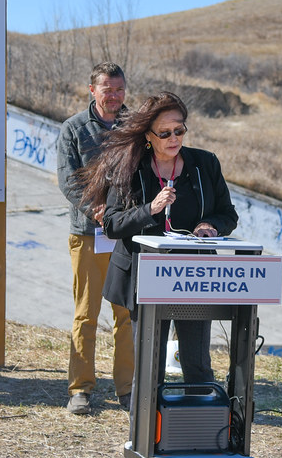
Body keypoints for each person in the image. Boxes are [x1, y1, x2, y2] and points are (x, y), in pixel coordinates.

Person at [83, 91, 238, 386]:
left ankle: (197, 427)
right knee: (150, 368)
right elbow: (113, 224)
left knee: (197, 365)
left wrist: (210, 225)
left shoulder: (205, 164)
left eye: (179, 130)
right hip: (147, 277)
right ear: (148, 136)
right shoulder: (130, 167)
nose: (173, 138)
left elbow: (228, 214)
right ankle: (144, 430)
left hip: (194, 276)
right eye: (164, 133)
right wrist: (150, 209)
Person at [56, 62, 135, 415]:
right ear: (92, 90)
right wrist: (100, 212)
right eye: (108, 89)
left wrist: (127, 219)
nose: (114, 96)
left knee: (127, 315)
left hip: (128, 238)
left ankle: (129, 389)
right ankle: (81, 389)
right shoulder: (73, 129)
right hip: (89, 233)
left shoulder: (137, 128)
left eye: (119, 89)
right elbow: (69, 181)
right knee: (86, 314)